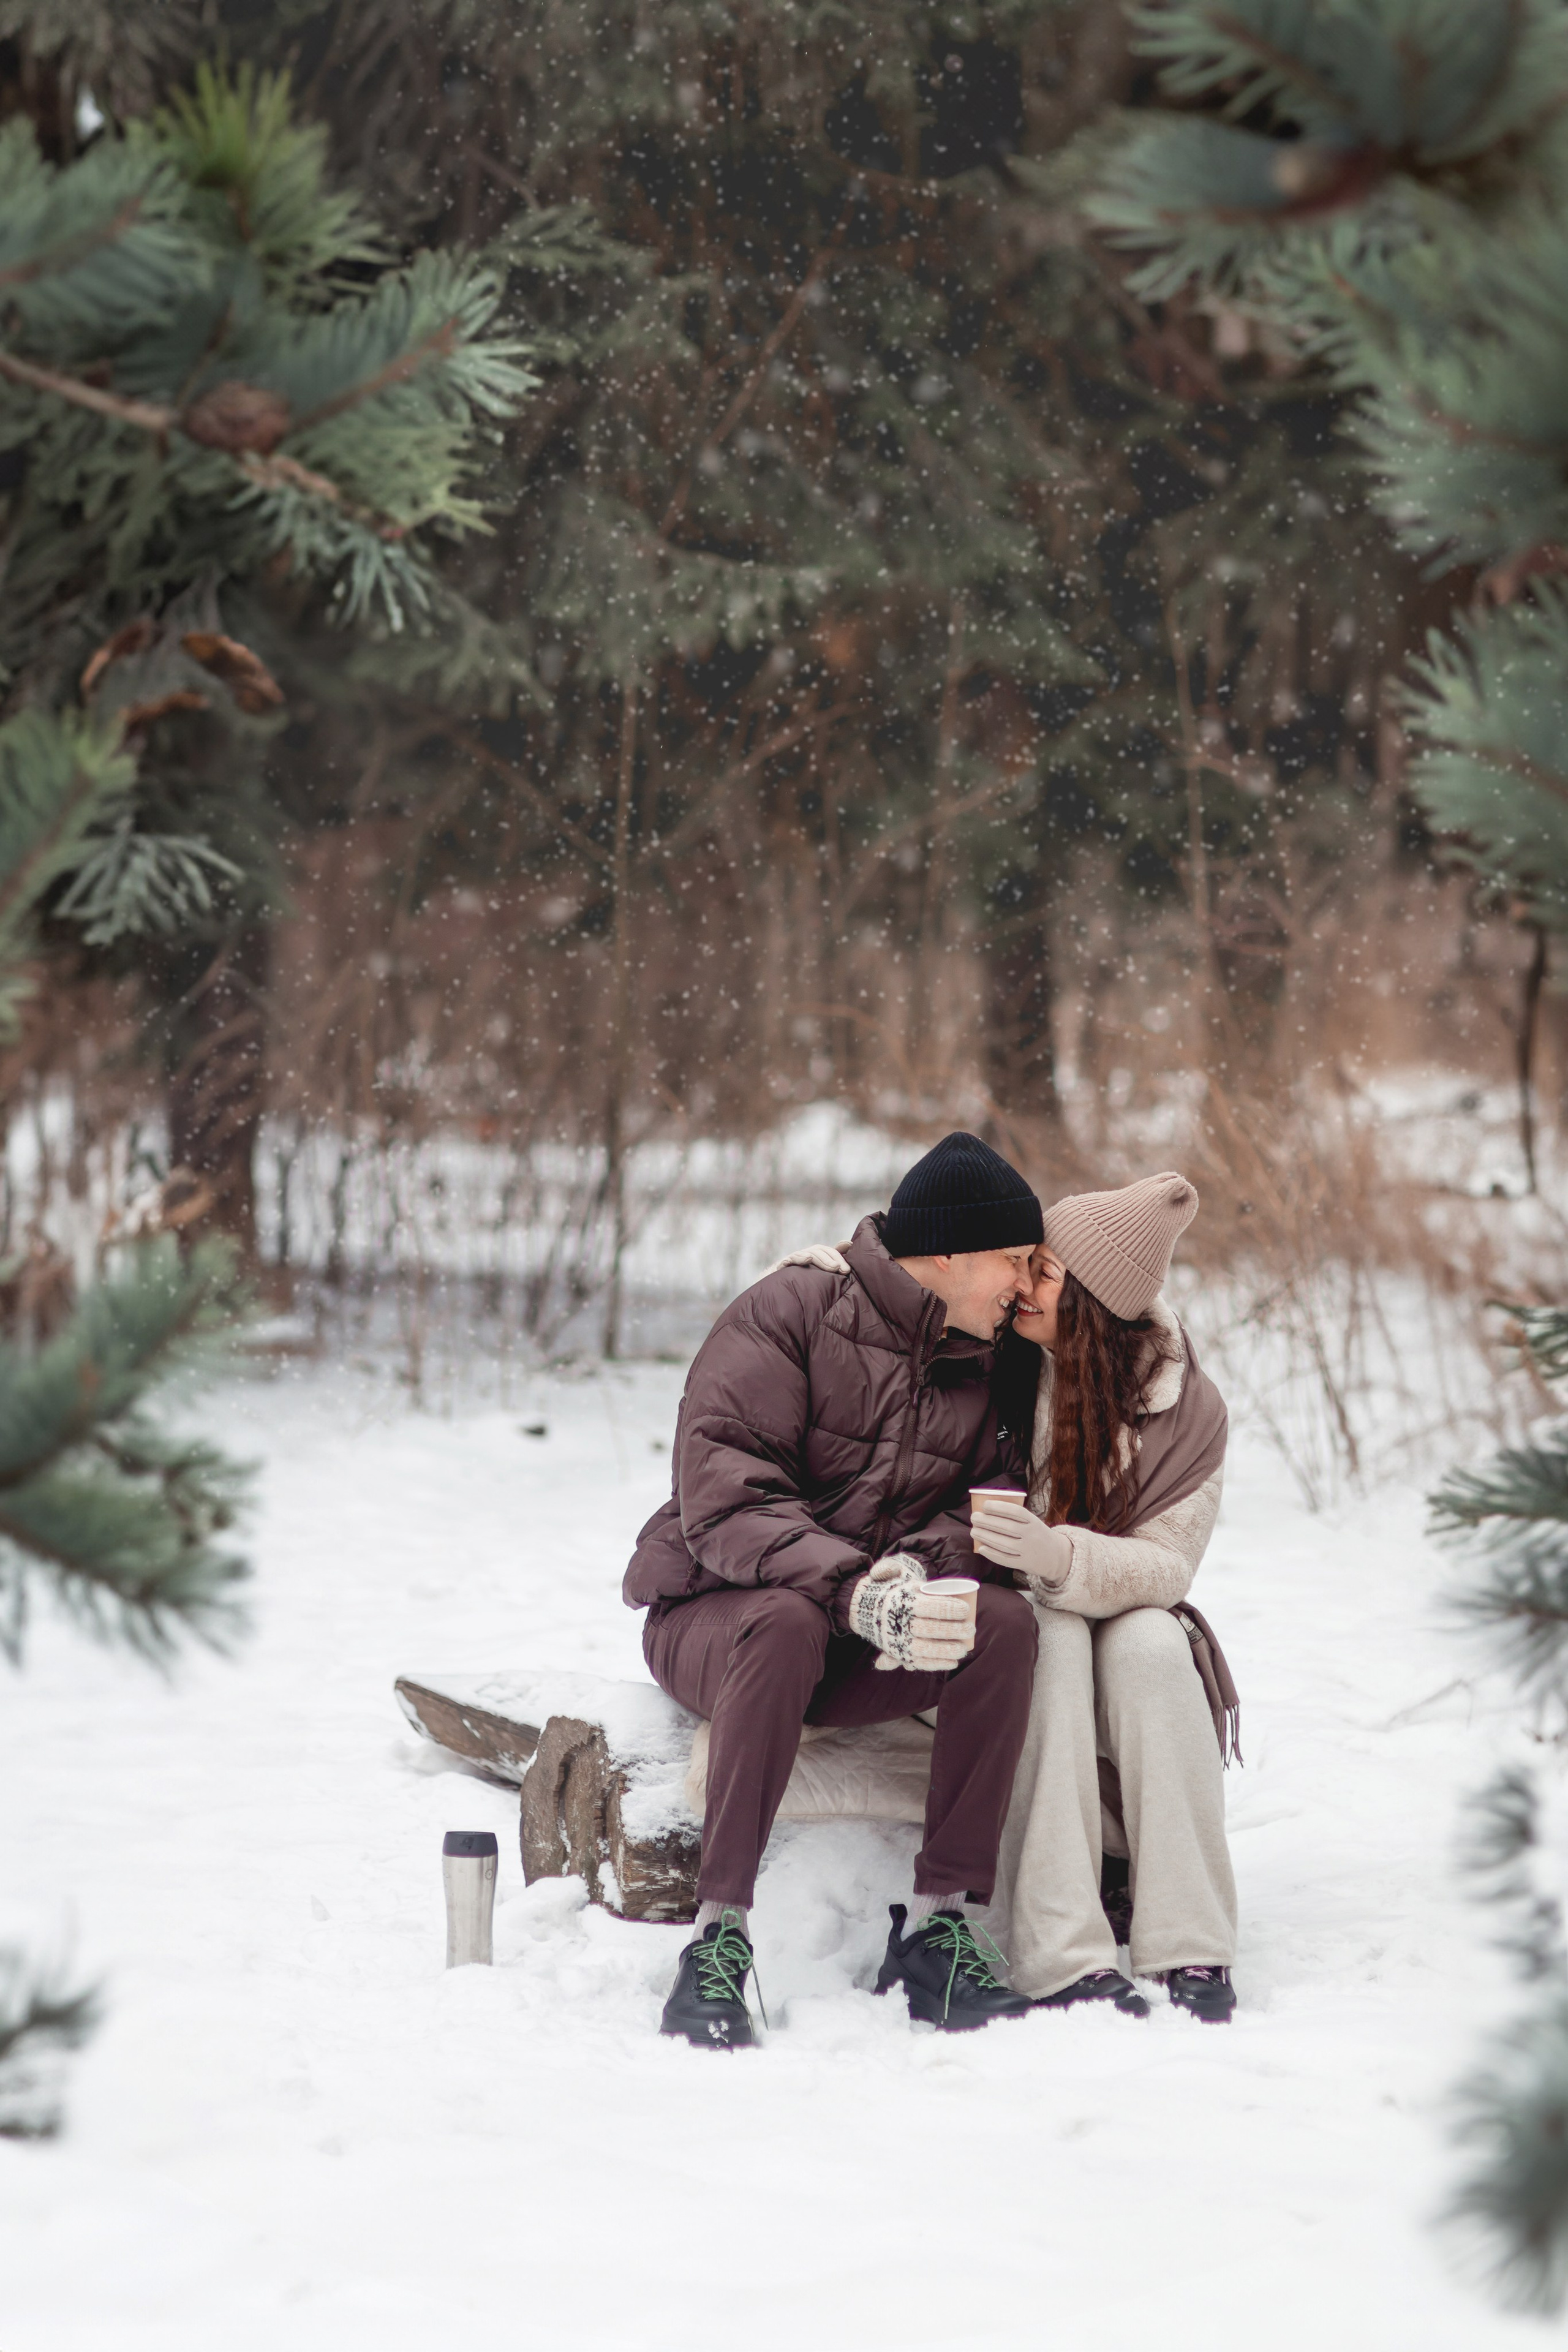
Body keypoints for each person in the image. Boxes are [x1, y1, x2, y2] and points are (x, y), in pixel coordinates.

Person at [624, 1131, 1044, 2048]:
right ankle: (716, 1943)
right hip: (717, 1615)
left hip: (856, 1641)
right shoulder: (789, 1312)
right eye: (1014, 1257)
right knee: (783, 1622)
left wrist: (909, 1579)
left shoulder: (994, 1363)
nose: (1026, 1279)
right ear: (947, 1254)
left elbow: (986, 1514)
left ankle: (940, 1929)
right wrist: (854, 1587)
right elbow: (726, 1503)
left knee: (1001, 1624)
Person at [972, 1171, 1240, 2023]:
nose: (1023, 1283)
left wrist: (1062, 1555)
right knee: (1047, 1640)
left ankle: (1191, 1940)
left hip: (1112, 1606)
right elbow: (903, 1282)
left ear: (1089, 1302)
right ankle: (1059, 1952)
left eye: (1045, 1271)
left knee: (1157, 1644)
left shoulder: (1185, 1409)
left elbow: (1167, 1567)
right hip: (1008, 1614)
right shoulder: (993, 1357)